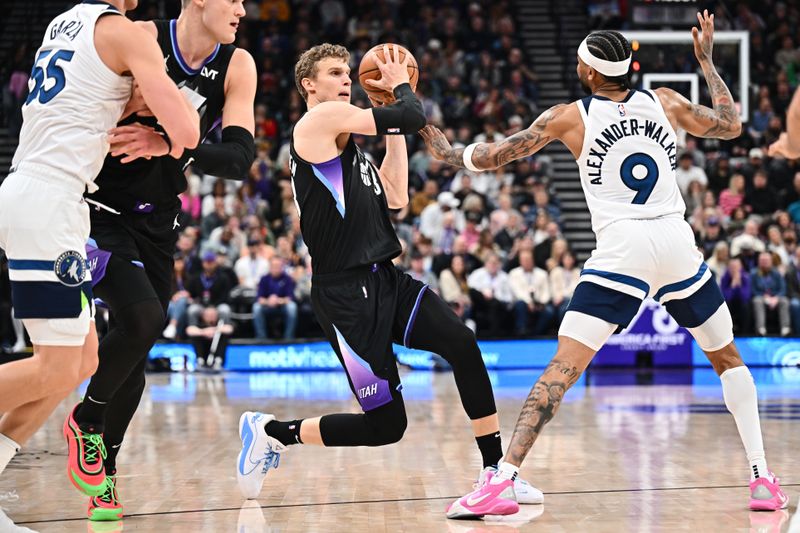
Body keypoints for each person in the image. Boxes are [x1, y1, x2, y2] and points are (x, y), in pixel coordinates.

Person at [422, 13, 787, 517]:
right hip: (677, 241)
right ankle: (762, 478)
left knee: (563, 368)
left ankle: (503, 481)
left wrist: (444, 149)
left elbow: (491, 156)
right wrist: (705, 61)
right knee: (727, 358)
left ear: (591, 73)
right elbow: (731, 124)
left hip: (624, 247)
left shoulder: (568, 116)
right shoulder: (665, 100)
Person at [235, 43, 542, 506]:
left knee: (461, 342)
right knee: (386, 427)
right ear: (308, 86)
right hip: (345, 297)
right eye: (335, 73)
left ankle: (496, 472)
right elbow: (415, 116)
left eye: (346, 73)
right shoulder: (315, 124)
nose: (346, 80)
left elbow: (396, 194)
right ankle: (273, 432)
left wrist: (391, 122)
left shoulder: (350, 147)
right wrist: (400, 85)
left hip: (386, 280)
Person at [0, 0, 199, 521]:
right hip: (52, 201)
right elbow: (188, 133)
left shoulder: (63, 23)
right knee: (58, 366)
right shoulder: (129, 33)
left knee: (82, 364)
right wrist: (158, 93)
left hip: (41, 195)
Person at [68, 0, 255, 521]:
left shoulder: (237, 63)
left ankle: (102, 475)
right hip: (98, 210)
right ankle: (86, 419)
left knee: (135, 355)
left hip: (159, 219)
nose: (241, 9)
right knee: (143, 318)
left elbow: (239, 159)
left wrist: (168, 143)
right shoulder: (139, 37)